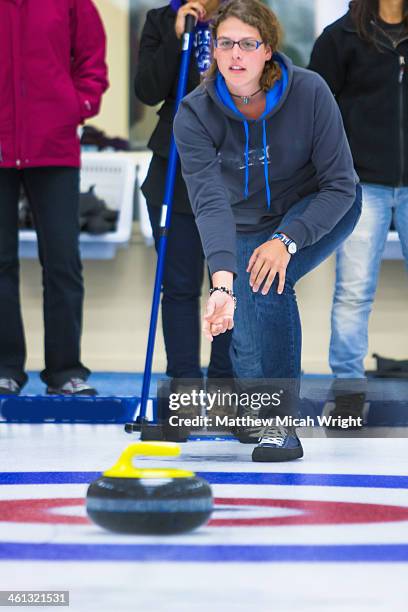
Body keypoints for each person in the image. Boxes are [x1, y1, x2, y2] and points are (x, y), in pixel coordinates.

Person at [174, 0, 362, 461]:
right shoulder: (194, 114)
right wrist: (220, 282)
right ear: (213, 50)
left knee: (268, 283)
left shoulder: (310, 92)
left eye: (247, 44)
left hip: (320, 206)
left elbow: (339, 185)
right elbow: (209, 202)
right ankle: (258, 413)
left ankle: (282, 426)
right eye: (225, 43)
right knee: (243, 322)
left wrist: (287, 239)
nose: (235, 54)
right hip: (245, 218)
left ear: (269, 51)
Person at [0, 0, 108, 396]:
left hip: (54, 147)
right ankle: (4, 368)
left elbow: (92, 56)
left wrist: (77, 105)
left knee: (63, 262)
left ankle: (65, 372)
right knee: (0, 262)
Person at [309, 0, 408, 419]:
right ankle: (348, 390)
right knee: (353, 292)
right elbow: (312, 109)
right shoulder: (340, 36)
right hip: (361, 182)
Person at [135, 0, 233, 392]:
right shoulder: (163, 20)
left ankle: (226, 384)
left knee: (228, 285)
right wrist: (178, 40)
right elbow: (147, 90)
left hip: (231, 167)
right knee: (178, 285)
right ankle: (185, 386)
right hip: (174, 168)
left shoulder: (244, 16)